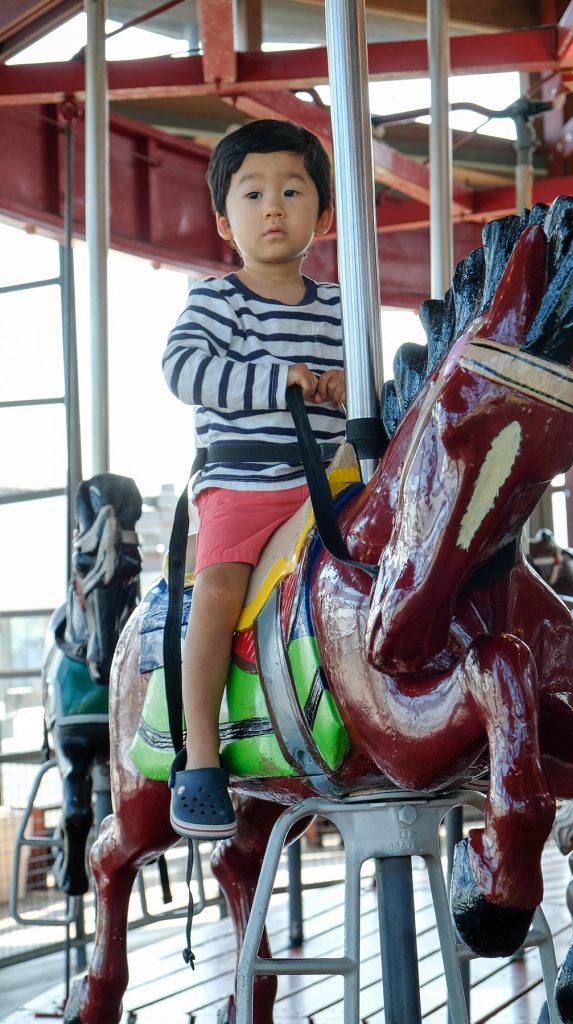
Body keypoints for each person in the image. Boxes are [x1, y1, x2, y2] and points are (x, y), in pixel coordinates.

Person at [162, 119, 345, 840]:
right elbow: (183, 370)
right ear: (223, 219)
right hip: (243, 484)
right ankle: (200, 758)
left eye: (292, 190)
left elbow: (374, 389)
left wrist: (346, 389)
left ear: (322, 216)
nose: (274, 206)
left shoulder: (339, 307)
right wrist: (282, 381)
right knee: (215, 595)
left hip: (327, 485)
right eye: (253, 193)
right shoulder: (218, 302)